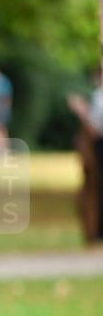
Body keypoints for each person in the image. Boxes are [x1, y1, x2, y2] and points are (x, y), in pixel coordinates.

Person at [67, 70, 103, 241]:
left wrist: (81, 110)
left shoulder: (99, 96)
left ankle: (96, 231)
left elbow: (94, 128)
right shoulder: (98, 96)